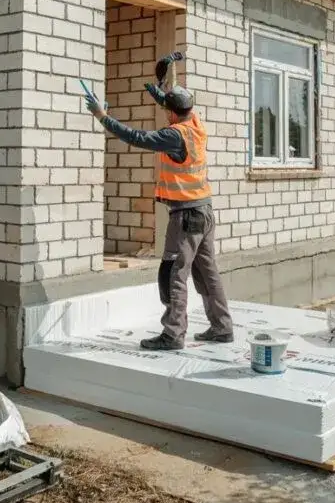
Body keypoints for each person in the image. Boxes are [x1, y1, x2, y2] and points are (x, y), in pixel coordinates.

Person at [83, 52, 234, 351]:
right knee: (207, 271)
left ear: (172, 114)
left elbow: (137, 137)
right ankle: (222, 327)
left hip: (186, 216)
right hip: (204, 211)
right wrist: (158, 89)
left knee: (173, 273)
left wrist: (103, 117)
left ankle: (173, 334)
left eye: (166, 109)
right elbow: (173, 103)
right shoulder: (195, 124)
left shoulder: (174, 135)